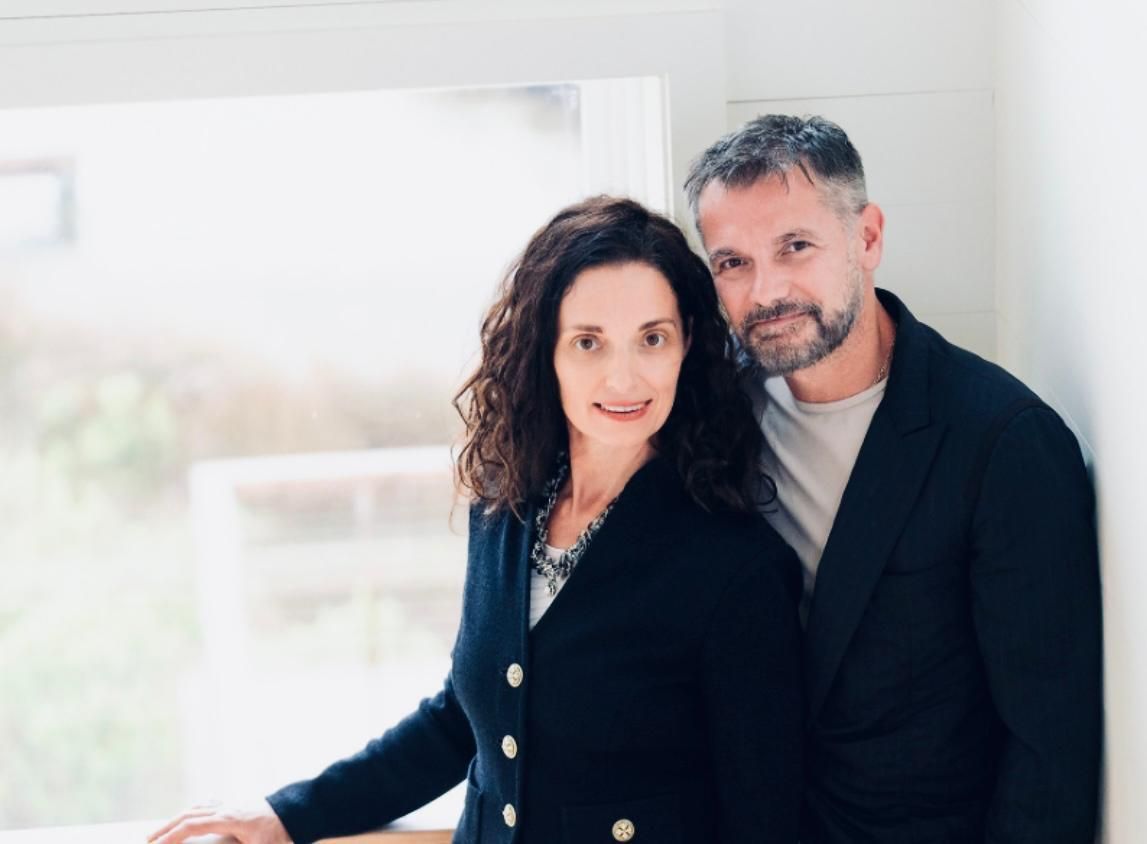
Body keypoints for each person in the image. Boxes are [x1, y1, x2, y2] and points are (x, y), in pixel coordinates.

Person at [147, 196, 804, 844]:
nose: (624, 377)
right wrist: (288, 814)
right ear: (545, 352)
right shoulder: (505, 506)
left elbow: (765, 822)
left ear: (686, 343)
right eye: (589, 343)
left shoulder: (736, 568)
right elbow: (463, 718)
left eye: (651, 339)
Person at [685, 114, 1103, 843]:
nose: (766, 290)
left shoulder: (1002, 442)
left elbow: (1048, 750)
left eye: (795, 246)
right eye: (732, 263)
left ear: (867, 238)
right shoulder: (713, 413)